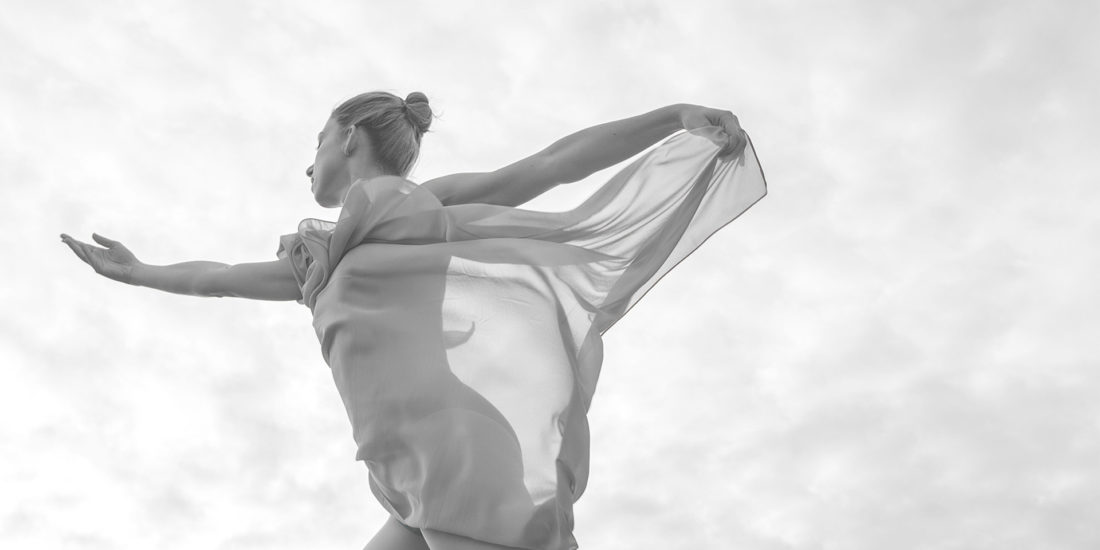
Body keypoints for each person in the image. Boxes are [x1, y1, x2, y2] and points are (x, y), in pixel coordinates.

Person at [61, 90, 767, 550]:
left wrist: (672, 117)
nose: (306, 162)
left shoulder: (418, 207)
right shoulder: (317, 260)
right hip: (405, 467)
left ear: (347, 140)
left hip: (456, 449)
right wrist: (138, 271)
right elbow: (216, 280)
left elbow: (550, 165)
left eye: (316, 139)